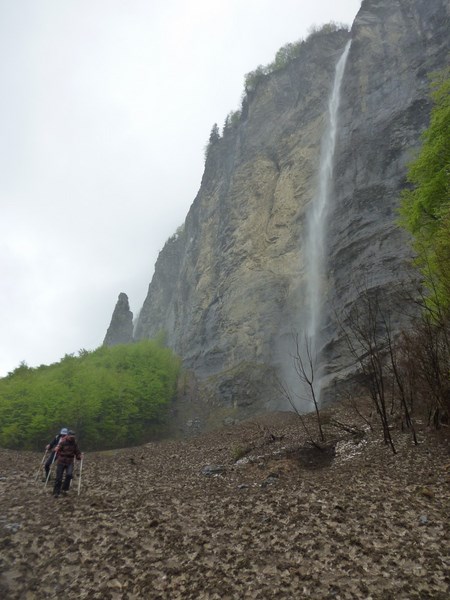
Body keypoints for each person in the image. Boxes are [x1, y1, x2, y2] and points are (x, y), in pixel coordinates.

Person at [53, 430, 82, 498]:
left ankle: (64, 488)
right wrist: (56, 449)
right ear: (67, 436)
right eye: (70, 436)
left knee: (69, 475)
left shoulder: (74, 444)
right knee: (59, 477)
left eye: (73, 437)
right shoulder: (62, 442)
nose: (72, 438)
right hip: (61, 461)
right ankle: (56, 492)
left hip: (70, 461)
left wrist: (80, 456)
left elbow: (77, 453)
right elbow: (58, 448)